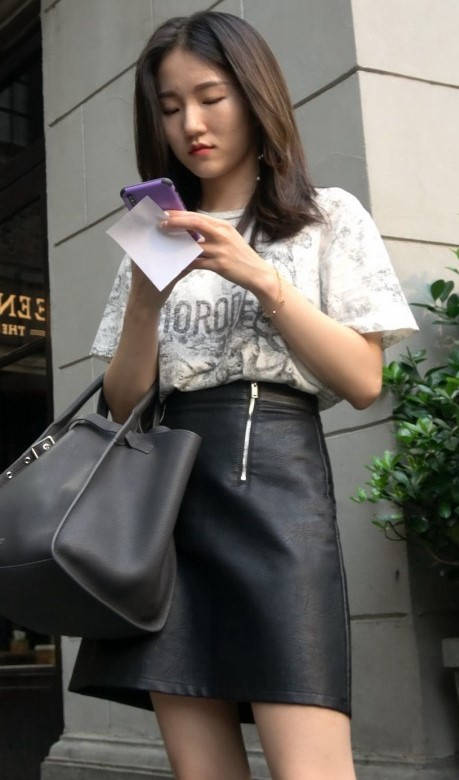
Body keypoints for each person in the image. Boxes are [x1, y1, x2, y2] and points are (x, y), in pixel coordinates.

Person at [69, 11, 418, 780]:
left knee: (312, 769)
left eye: (210, 97)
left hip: (278, 500)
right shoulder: (153, 234)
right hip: (166, 509)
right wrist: (145, 301)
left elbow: (363, 381)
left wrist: (262, 279)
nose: (190, 124)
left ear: (254, 95)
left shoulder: (325, 217)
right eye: (169, 107)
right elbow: (123, 406)